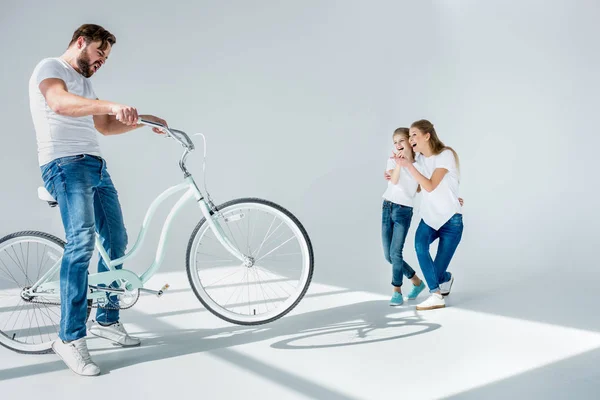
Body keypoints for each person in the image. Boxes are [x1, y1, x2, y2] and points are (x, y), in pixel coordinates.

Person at [29, 23, 167, 376]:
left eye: (105, 56)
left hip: (95, 166)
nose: (102, 60)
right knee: (81, 245)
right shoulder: (51, 68)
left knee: (116, 239)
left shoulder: (86, 83)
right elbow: (58, 103)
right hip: (64, 165)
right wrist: (111, 104)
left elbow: (104, 126)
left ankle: (106, 319)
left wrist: (145, 120)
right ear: (81, 42)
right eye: (99, 52)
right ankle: (69, 337)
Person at [397, 119, 464, 311]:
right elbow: (418, 189)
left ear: (427, 136)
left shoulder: (445, 154)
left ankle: (444, 279)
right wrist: (401, 167)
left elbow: (430, 185)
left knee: (436, 270)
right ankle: (436, 295)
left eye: (414, 135)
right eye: (409, 136)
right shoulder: (418, 161)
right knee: (420, 246)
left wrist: (410, 166)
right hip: (429, 217)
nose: (411, 140)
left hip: (452, 220)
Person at [381, 128, 426, 306]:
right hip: (387, 206)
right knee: (388, 256)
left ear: (409, 140)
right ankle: (416, 282)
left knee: (396, 252)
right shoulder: (392, 160)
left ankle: (397, 291)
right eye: (395, 142)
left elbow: (420, 185)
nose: (398, 145)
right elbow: (393, 181)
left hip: (404, 210)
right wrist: (398, 163)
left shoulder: (420, 163)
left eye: (401, 140)